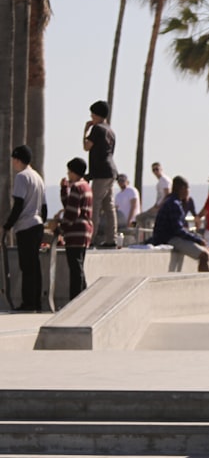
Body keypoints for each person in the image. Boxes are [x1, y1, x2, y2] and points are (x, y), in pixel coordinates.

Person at [3, 145, 47, 311]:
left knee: (27, 266)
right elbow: (44, 207)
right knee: (34, 266)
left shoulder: (22, 177)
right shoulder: (38, 177)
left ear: (17, 159)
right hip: (37, 225)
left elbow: (18, 204)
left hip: (26, 226)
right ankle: (36, 302)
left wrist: (7, 225)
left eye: (14, 159)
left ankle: (28, 303)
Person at [149, 176, 209, 272]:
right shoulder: (174, 204)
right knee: (204, 255)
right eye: (188, 188)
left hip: (169, 236)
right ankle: (205, 284)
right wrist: (198, 240)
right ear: (182, 189)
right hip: (168, 238)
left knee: (204, 251)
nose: (189, 191)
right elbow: (178, 230)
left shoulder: (171, 201)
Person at [55, 157, 94, 300]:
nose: (68, 174)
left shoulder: (77, 187)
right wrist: (64, 189)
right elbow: (70, 205)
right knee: (79, 265)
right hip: (85, 230)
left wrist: (61, 228)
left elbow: (72, 212)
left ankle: (77, 299)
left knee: (75, 267)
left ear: (74, 172)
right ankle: (83, 297)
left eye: (69, 171)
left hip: (76, 231)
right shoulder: (86, 186)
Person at [83, 99, 118, 248]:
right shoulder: (110, 130)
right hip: (111, 171)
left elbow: (86, 146)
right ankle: (112, 238)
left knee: (95, 205)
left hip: (101, 173)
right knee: (109, 206)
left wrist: (85, 131)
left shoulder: (97, 129)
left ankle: (90, 238)